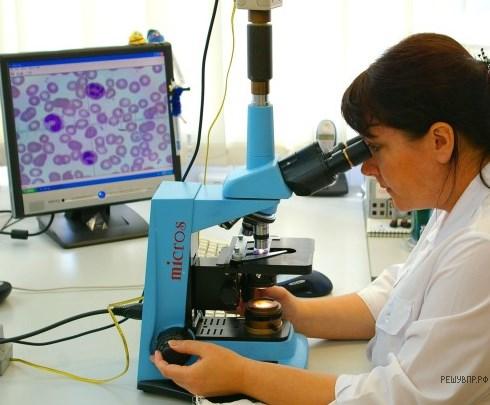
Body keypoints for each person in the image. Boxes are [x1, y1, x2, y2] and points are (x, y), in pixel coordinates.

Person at [151, 33, 490, 404]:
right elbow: (399, 299)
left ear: (440, 141)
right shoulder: (458, 201)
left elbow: (402, 398)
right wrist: (296, 313)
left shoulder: (479, 248)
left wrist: (243, 376)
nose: (368, 168)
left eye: (376, 148)